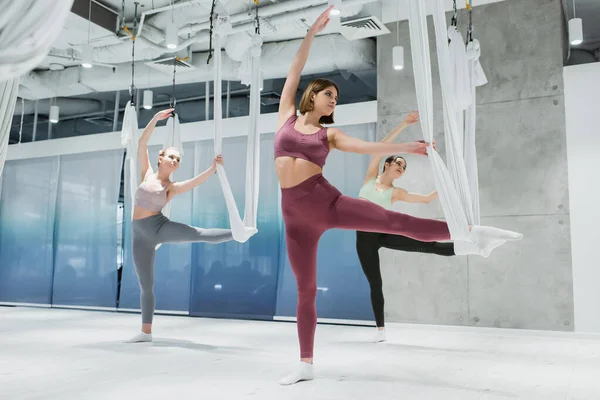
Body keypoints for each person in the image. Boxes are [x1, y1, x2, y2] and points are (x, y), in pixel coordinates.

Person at [273, 5, 521, 385]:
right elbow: (294, 68)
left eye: (336, 97)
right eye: (329, 94)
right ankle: (305, 364)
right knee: (306, 290)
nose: (333, 100)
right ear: (312, 96)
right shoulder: (286, 116)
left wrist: (404, 147)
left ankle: (471, 232)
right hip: (294, 220)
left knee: (394, 221)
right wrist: (312, 33)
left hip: (327, 203)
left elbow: (366, 148)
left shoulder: (330, 135)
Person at [125, 108, 234, 344]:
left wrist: (213, 169)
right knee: (146, 285)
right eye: (171, 156)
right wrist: (155, 119)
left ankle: (238, 232)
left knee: (199, 233)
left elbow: (194, 182)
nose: (174, 160)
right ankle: (146, 332)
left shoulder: (171, 188)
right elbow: (142, 143)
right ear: (160, 157)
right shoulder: (147, 174)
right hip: (139, 235)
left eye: (177, 159)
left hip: (158, 227)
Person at [356, 111, 457, 343]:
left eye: (404, 168)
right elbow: (381, 146)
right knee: (375, 283)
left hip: (385, 233)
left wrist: (446, 183)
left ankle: (466, 246)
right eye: (399, 163)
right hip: (364, 238)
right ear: (388, 164)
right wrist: (404, 123)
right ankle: (380, 331)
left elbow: (425, 199)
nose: (402, 168)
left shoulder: (396, 193)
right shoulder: (371, 178)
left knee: (427, 245)